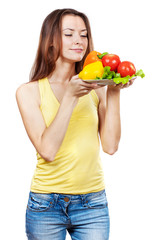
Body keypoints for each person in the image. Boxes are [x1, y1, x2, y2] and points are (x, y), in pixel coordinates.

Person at [16, 8, 134, 240]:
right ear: (50, 41)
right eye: (69, 34)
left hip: (92, 204)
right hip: (45, 205)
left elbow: (110, 147)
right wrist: (70, 96)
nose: (79, 41)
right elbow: (48, 151)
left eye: (84, 34)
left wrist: (113, 92)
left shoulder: (97, 88)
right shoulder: (28, 92)